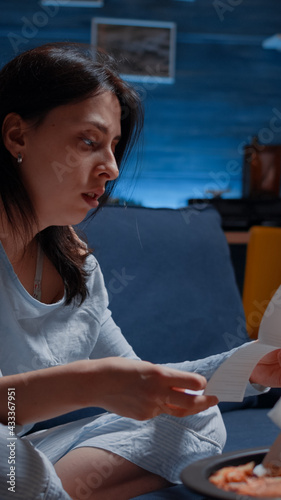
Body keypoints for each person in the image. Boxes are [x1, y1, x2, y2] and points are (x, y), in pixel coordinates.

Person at [0, 42, 280, 500]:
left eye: (113, 146)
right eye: (88, 142)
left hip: (18, 458)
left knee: (192, 413)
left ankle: (40, 490)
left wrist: (250, 365)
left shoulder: (77, 265)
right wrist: (94, 384)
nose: (110, 168)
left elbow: (141, 380)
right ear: (16, 136)